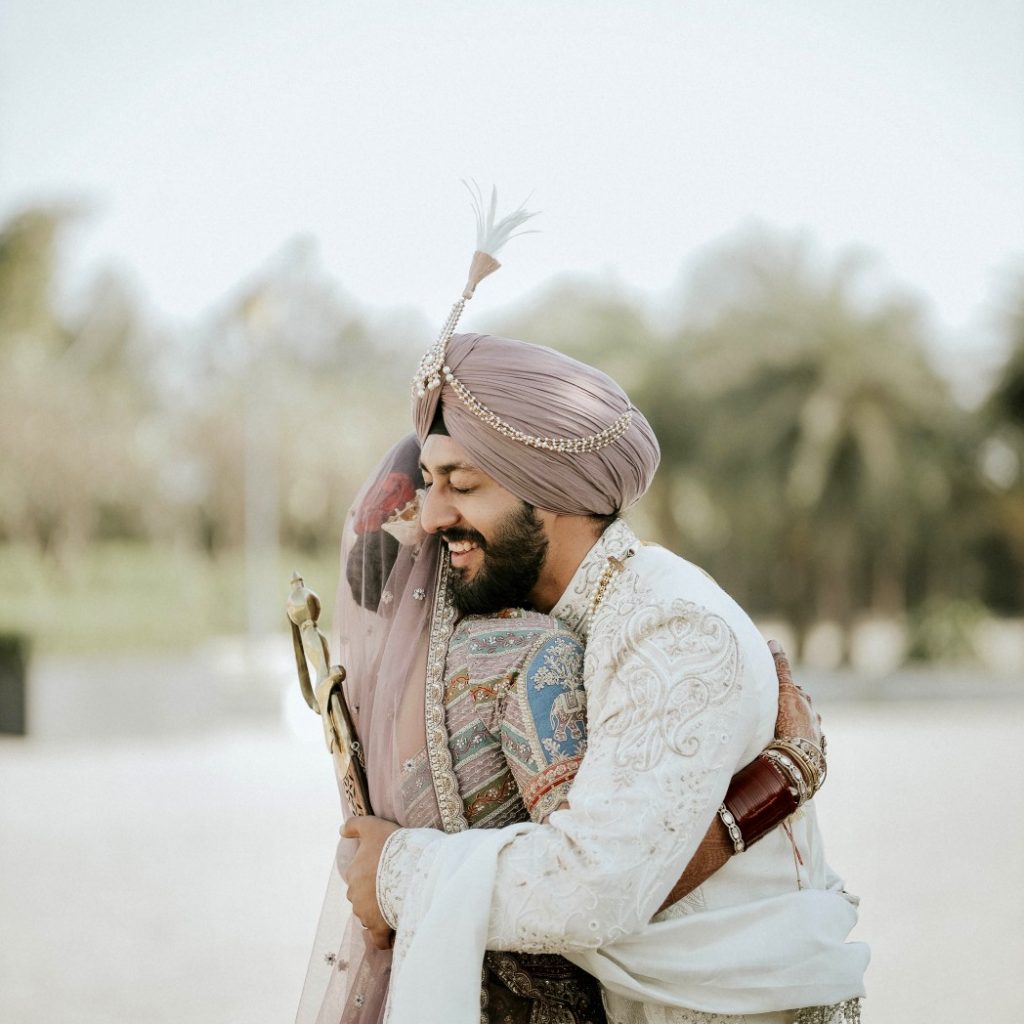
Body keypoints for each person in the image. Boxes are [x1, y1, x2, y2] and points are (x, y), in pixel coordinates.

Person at [340, 328, 868, 1024]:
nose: (434, 516)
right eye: (431, 483)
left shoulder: (673, 626)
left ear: (552, 492)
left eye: (462, 485)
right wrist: (780, 777)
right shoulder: (514, 630)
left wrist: (398, 873)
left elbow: (594, 889)